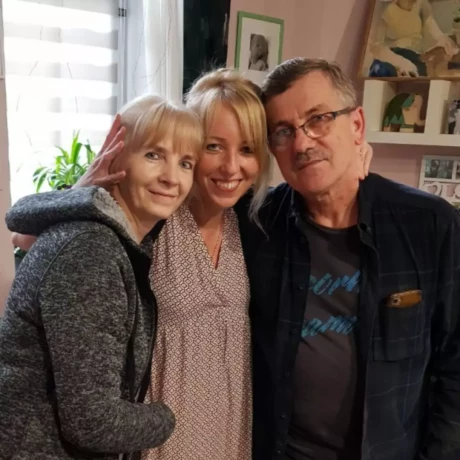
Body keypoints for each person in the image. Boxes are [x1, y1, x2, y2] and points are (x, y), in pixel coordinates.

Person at [8, 69, 373, 460]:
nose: (231, 167)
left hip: (230, 432)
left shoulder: (253, 221)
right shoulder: (157, 213)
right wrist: (89, 186)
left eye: (247, 149)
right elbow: (26, 237)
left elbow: (314, 184)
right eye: (213, 147)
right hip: (156, 432)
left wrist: (352, 153)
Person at [234, 57, 460, 460]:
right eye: (283, 132)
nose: (302, 143)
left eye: (318, 119)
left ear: (356, 125)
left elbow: (455, 365)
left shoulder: (430, 225)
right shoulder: (255, 225)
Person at [0, 94, 203, 459]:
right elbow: (92, 421)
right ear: (116, 159)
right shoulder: (91, 251)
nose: (171, 178)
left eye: (185, 163)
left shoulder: (115, 242)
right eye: (153, 155)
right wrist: (170, 417)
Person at [368, 0, 458, 77]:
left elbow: (429, 22)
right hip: (394, 56)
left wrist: (442, 38)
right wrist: (401, 62)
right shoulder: (385, 9)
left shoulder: (421, 4)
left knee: (449, 67)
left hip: (417, 56)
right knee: (381, 70)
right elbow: (375, 46)